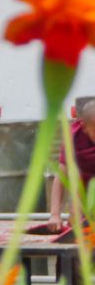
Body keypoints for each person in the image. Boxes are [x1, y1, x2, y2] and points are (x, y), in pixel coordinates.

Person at [49, 99, 95, 232]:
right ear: (84, 127)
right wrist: (55, 215)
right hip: (81, 206)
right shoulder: (73, 139)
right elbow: (61, 177)